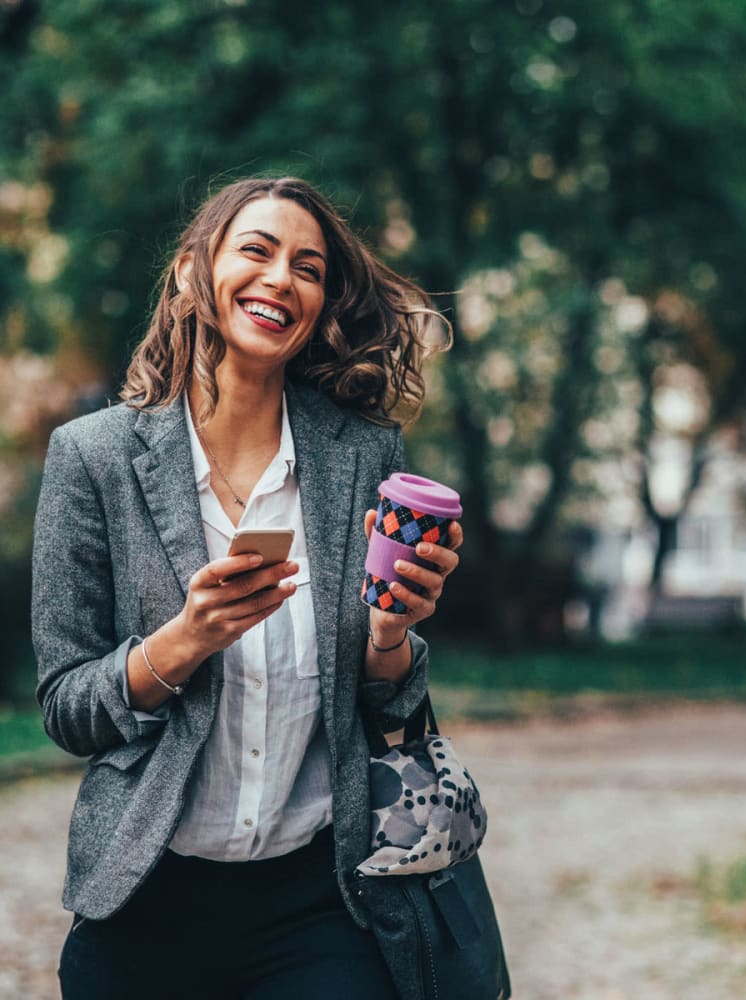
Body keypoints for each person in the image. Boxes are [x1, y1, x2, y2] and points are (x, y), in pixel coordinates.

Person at [31, 176, 461, 999]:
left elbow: (392, 707)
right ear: (195, 273)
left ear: (321, 304)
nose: (280, 279)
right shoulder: (93, 458)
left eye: (307, 267)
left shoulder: (363, 456)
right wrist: (185, 638)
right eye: (256, 251)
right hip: (150, 894)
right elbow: (66, 707)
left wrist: (392, 635)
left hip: (320, 897)